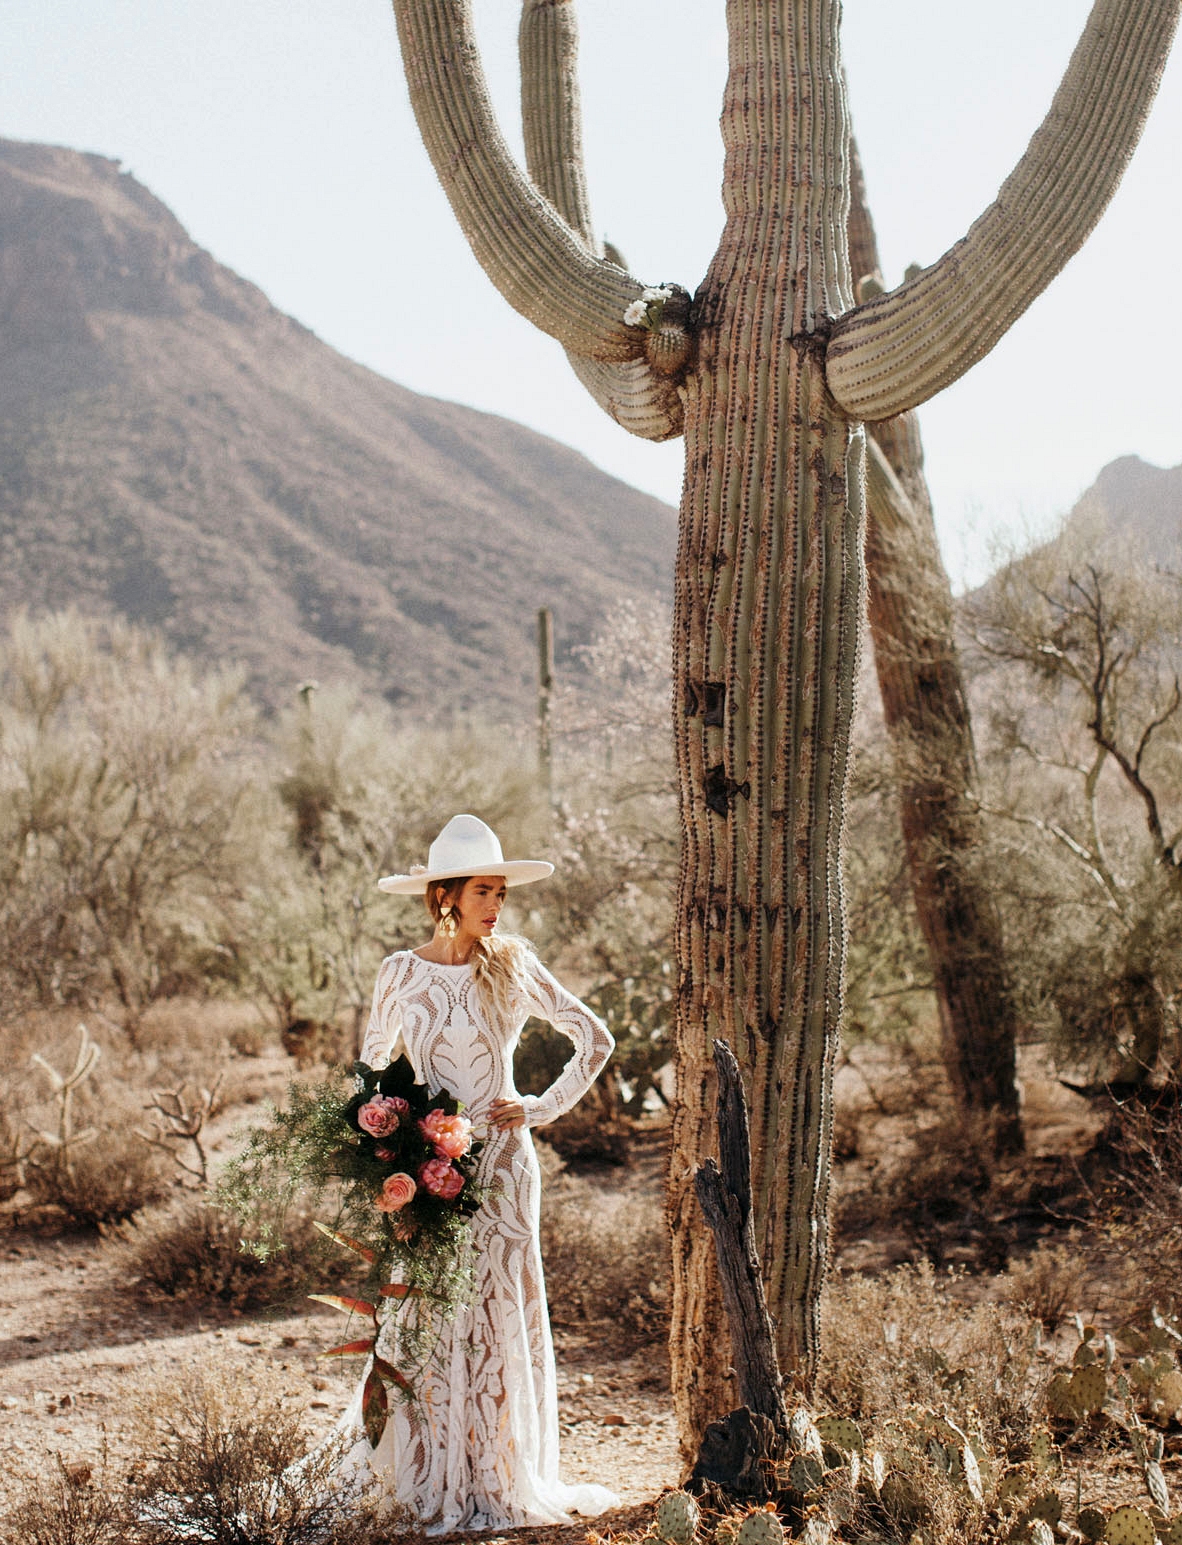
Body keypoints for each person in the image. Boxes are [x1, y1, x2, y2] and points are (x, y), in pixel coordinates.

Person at [322, 813, 620, 1534]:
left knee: (494, 1311)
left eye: (501, 892)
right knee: (426, 1312)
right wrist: (389, 1145)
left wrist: (539, 1106)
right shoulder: (400, 970)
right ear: (445, 895)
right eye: (484, 889)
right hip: (428, 1168)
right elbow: (371, 1074)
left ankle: (497, 1469)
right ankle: (424, 1466)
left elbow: (595, 1038)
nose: (496, 903)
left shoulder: (513, 962)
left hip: (506, 1167)